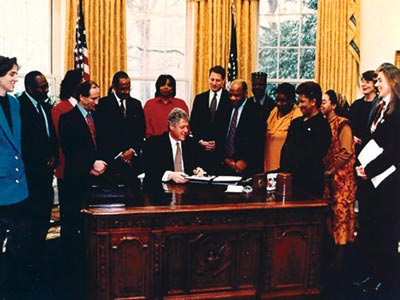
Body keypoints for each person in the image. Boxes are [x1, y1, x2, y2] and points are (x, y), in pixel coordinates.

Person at [354, 64, 400, 295]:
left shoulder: (398, 109)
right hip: (373, 180)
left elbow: (394, 150)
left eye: (380, 80)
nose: (377, 85)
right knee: (371, 230)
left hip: (389, 182)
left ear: (391, 82)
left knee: (386, 233)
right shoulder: (378, 106)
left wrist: (370, 169)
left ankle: (386, 279)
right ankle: (372, 275)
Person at [58, 80, 106, 271]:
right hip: (76, 179)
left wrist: (101, 163)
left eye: (98, 98)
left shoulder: (97, 117)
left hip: (97, 178)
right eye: (93, 98)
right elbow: (71, 151)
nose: (96, 102)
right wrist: (90, 164)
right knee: (73, 223)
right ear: (82, 97)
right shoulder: (67, 118)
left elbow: (102, 143)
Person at [18, 70, 58, 278]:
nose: (46, 89)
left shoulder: (45, 106)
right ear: (29, 88)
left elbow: (51, 136)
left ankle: (39, 260)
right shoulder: (20, 107)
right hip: (30, 176)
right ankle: (27, 266)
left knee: (43, 218)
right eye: (42, 87)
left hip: (45, 174)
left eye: (45, 86)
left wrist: (53, 156)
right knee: (29, 223)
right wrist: (39, 161)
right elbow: (23, 142)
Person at [0, 56, 30, 295]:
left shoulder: (15, 102)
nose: (15, 78)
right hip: (1, 185)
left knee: (19, 244)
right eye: (11, 74)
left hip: (19, 186)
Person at [320, 89, 356, 279]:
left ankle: (340, 270)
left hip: (342, 182)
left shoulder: (343, 124)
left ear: (333, 105)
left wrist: (332, 169)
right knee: (329, 223)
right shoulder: (324, 124)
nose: (321, 105)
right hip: (329, 183)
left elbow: (346, 152)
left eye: (325, 102)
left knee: (341, 222)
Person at [280, 81, 332, 199]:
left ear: (313, 101)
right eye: (299, 102)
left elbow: (314, 156)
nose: (299, 105)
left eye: (303, 102)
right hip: (289, 182)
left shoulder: (322, 126)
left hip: (310, 184)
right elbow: (286, 150)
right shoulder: (296, 123)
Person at [96, 71, 145, 189]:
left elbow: (141, 131)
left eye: (128, 88)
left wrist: (132, 150)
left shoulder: (136, 104)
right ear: (114, 87)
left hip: (132, 162)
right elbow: (100, 134)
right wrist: (120, 155)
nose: (126, 92)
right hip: (111, 162)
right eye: (123, 89)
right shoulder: (103, 104)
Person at [51, 69, 82, 241]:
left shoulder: (87, 107)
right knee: (69, 215)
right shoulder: (60, 108)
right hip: (66, 167)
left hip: (85, 170)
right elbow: (59, 139)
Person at [216, 79, 264, 177]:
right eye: (231, 95)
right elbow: (218, 135)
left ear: (245, 93)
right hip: (224, 164)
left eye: (237, 95)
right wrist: (226, 159)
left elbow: (258, 140)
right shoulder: (224, 108)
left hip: (246, 167)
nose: (233, 98)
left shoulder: (255, 111)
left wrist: (245, 161)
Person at [144, 108, 202, 188]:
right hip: (162, 191)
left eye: (187, 127)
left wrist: (199, 170)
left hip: (189, 191)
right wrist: (170, 175)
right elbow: (150, 170)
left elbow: (198, 165)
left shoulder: (192, 143)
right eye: (182, 127)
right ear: (171, 126)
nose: (186, 130)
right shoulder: (155, 144)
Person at [190, 65, 231, 174]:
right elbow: (193, 123)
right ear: (208, 79)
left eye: (218, 80)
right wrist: (200, 141)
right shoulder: (199, 98)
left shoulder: (229, 99)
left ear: (223, 81)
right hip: (201, 152)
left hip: (222, 153)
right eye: (212, 79)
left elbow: (230, 126)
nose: (214, 83)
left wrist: (217, 143)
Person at [264, 82, 302, 172]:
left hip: (285, 168)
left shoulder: (298, 115)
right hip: (268, 164)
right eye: (277, 100)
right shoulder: (274, 111)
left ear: (292, 100)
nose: (278, 103)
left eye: (283, 101)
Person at [348, 70, 379, 155]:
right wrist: (352, 137)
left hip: (372, 149)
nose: (363, 84)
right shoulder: (356, 104)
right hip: (354, 148)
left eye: (368, 82)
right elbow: (348, 123)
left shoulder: (379, 105)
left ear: (375, 85)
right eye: (362, 81)